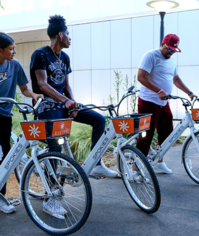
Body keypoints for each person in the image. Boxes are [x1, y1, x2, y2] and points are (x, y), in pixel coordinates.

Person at [30, 15, 119, 218]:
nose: (70, 38)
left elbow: (67, 85)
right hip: (47, 108)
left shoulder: (65, 58)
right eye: (68, 34)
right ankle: (49, 199)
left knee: (98, 119)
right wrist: (64, 101)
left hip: (63, 105)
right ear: (60, 34)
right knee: (56, 146)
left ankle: (96, 164)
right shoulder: (40, 54)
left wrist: (73, 104)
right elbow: (42, 84)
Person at [136, 34, 197, 174]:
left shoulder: (171, 60)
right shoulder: (150, 55)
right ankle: (135, 167)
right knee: (146, 135)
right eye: (169, 49)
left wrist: (189, 92)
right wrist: (159, 90)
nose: (171, 52)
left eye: (174, 50)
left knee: (167, 133)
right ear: (162, 44)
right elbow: (141, 77)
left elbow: (175, 79)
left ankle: (159, 161)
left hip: (163, 103)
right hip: (148, 101)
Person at [0, 32, 44, 214]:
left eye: (14, 48)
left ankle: (0, 197)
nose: (14, 51)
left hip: (5, 115)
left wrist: (33, 95)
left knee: (5, 157)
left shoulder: (14, 65)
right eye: (11, 49)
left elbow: (24, 89)